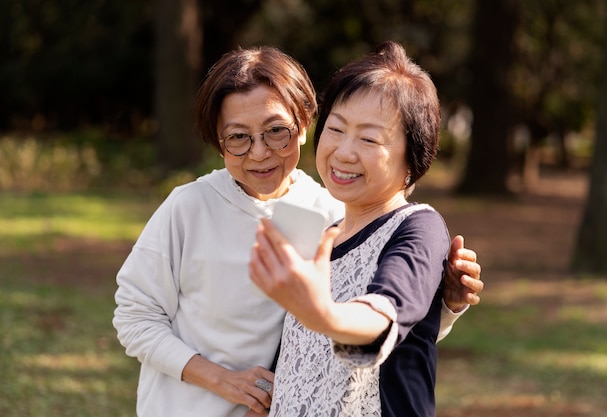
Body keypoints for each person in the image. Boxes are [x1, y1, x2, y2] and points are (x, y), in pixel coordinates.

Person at [113, 45, 482, 417]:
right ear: (217, 140)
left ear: (305, 124)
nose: (259, 153)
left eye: (276, 131)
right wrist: (222, 380)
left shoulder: (335, 213)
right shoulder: (189, 207)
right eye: (238, 137)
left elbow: (383, 328)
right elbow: (134, 315)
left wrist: (445, 305)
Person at [249, 41, 455, 416]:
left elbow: (383, 315)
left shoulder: (418, 228)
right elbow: (297, 364)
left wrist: (323, 314)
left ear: (413, 157)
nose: (344, 151)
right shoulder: (320, 232)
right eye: (336, 129)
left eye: (369, 138)